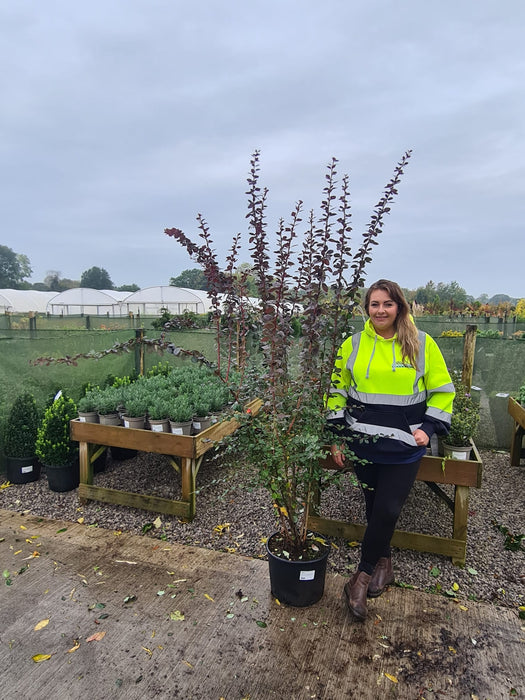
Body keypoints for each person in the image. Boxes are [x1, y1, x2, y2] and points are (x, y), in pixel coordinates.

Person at [326, 279, 454, 621]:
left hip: (403, 446)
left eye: (387, 304)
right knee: (373, 507)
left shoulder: (422, 343)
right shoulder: (352, 344)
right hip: (362, 442)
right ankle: (384, 563)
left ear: (399, 307)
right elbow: (336, 391)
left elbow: (443, 391)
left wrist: (428, 429)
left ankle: (361, 575)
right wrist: (337, 436)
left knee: (388, 508)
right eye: (374, 304)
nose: (380, 310)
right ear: (366, 309)